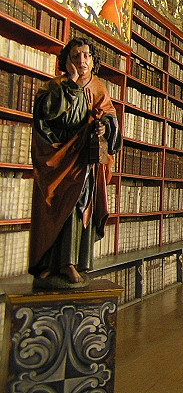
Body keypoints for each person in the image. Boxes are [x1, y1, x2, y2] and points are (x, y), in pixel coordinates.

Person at [29, 38, 120, 288]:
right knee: (54, 208)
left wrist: (104, 127)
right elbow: (46, 117)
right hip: (58, 159)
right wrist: (70, 84)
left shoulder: (99, 88)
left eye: (86, 56)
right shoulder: (54, 86)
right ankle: (47, 263)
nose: (81, 61)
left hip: (83, 162)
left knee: (76, 208)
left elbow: (112, 121)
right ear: (67, 60)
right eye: (75, 56)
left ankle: (71, 262)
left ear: (93, 60)